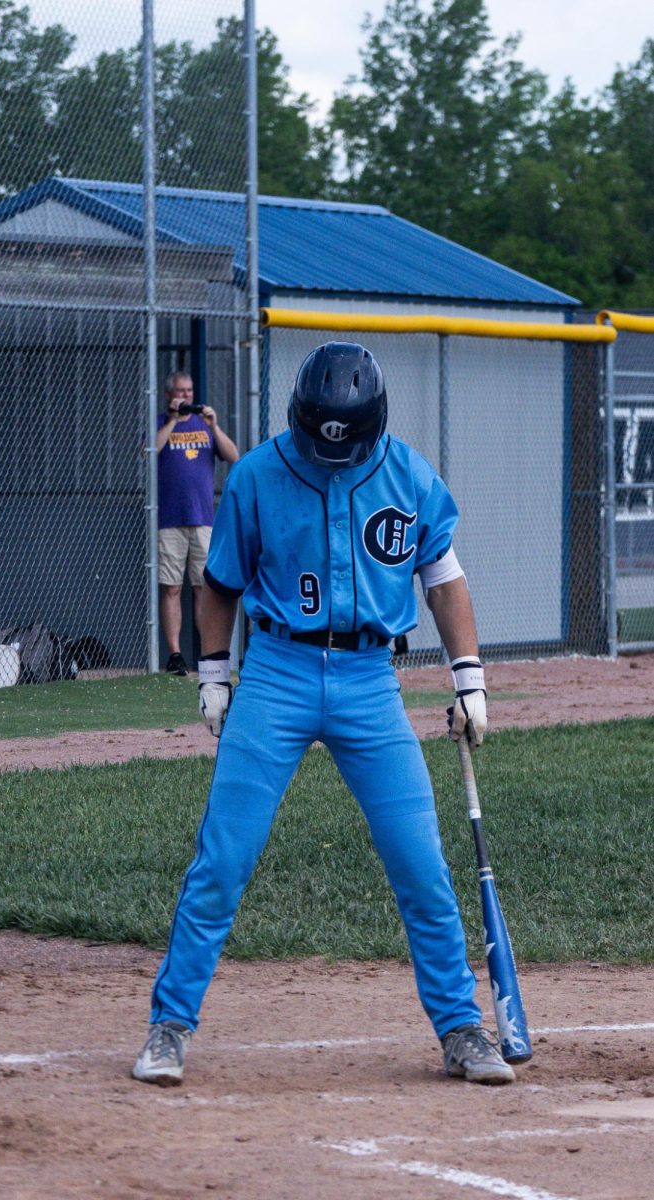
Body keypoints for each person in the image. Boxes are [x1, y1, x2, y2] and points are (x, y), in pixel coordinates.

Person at [132, 341, 512, 1090]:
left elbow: (443, 580)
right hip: (277, 671)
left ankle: (461, 1027)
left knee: (419, 863)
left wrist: (467, 678)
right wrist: (213, 674)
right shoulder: (259, 475)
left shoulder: (407, 474)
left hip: (371, 678)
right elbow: (221, 585)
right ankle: (169, 1024)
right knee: (224, 858)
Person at [155, 370, 239, 676]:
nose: (185, 396)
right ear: (168, 395)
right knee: (171, 588)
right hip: (170, 519)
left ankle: (209, 653)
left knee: (205, 588)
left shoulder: (204, 425)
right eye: (179, 391)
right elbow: (148, 451)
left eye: (189, 391)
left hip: (203, 518)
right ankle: (175, 654)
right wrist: (173, 422)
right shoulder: (161, 423)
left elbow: (234, 456)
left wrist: (214, 427)